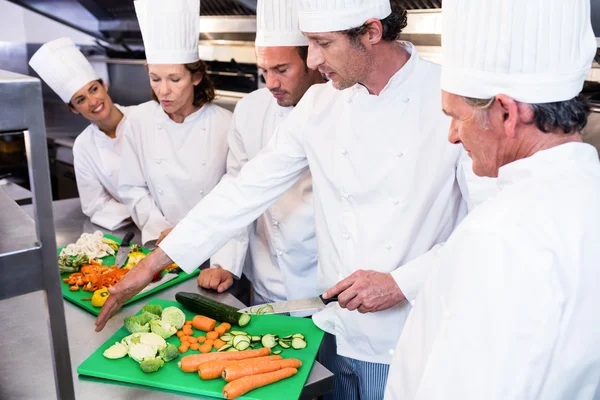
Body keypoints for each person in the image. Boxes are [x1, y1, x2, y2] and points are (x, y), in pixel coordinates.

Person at [97, 1, 487, 398]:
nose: (314, 60)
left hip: (410, 333)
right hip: (334, 325)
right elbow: (245, 189)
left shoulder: (451, 100)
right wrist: (153, 264)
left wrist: (401, 283)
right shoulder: (321, 104)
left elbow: (486, 228)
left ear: (370, 32)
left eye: (322, 43)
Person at [384, 0, 600, 399]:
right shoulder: (588, 191)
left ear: (505, 112)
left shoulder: (501, 235)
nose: (452, 135)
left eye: (456, 116)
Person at [198, 0, 325, 306]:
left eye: (282, 69)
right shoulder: (250, 109)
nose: (271, 84)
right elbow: (240, 187)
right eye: (264, 70)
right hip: (268, 279)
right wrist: (225, 261)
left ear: (312, 60)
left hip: (327, 286)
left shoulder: (338, 107)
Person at [118, 0, 233, 248]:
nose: (164, 91)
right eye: (155, 79)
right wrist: (163, 232)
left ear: (196, 76)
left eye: (174, 79)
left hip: (212, 245)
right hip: (159, 242)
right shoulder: (139, 120)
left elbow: (232, 196)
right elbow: (132, 187)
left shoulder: (225, 124)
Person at [29, 37, 133, 231]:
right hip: (134, 228)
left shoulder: (145, 118)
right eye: (81, 99)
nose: (93, 102)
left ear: (104, 85)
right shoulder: (84, 145)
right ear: (73, 108)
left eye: (94, 89)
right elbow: (94, 204)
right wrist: (142, 214)